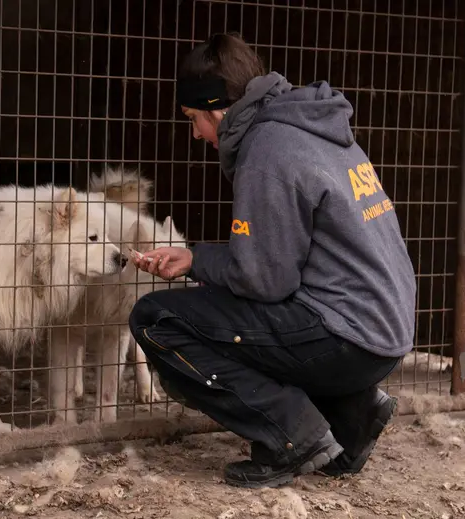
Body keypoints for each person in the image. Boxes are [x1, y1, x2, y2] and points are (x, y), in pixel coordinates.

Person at [128, 33, 416, 489]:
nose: (195, 133)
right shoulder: (313, 127)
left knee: (157, 318)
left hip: (345, 334)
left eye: (193, 119)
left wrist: (199, 265)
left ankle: (292, 437)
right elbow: (283, 262)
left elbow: (263, 281)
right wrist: (196, 258)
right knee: (231, 311)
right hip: (385, 331)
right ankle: (352, 414)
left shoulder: (268, 150)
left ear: (218, 109)